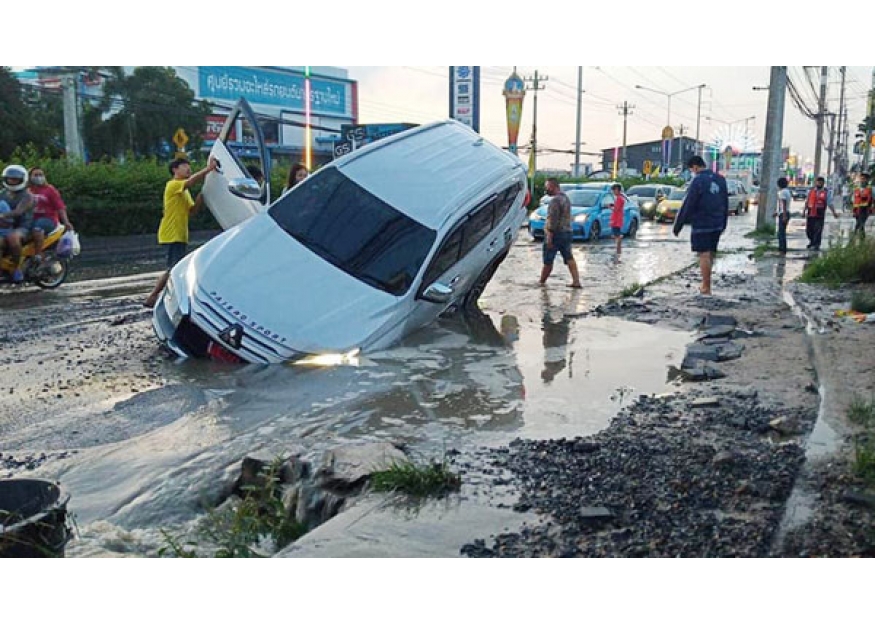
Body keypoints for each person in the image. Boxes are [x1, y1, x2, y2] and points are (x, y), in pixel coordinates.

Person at [144, 156, 218, 308]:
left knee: (174, 268)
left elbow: (192, 210)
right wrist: (209, 169)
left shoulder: (185, 192)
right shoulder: (172, 185)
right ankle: (153, 296)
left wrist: (203, 194)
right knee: (173, 268)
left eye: (188, 166)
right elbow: (190, 182)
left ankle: (160, 296)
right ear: (175, 170)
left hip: (180, 234)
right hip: (171, 234)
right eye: (184, 166)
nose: (188, 169)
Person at [673, 155, 729, 296]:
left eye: (692, 170)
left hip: (702, 223)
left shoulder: (697, 180)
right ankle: (707, 284)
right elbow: (725, 202)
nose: (693, 172)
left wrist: (678, 225)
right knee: (710, 253)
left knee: (703, 254)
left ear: (695, 167)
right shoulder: (721, 179)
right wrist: (724, 223)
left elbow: (689, 203)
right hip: (717, 223)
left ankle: (706, 287)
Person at [539, 178, 582, 289]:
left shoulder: (555, 201)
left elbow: (552, 220)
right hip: (567, 232)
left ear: (553, 187)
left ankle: (541, 283)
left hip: (556, 234)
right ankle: (576, 281)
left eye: (547, 187)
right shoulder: (565, 198)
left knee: (548, 260)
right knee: (569, 257)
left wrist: (549, 236)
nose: (546, 189)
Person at [0, 164, 37, 283]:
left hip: (23, 227)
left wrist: (3, 215)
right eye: (9, 178)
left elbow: (18, 212)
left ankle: (16, 268)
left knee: (13, 238)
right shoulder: (3, 193)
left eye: (15, 179)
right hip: (5, 226)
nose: (12, 181)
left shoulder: (28, 196)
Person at [28, 166, 74, 259]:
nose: (38, 177)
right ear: (30, 177)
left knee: (37, 228)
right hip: (30, 219)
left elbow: (60, 207)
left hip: (48, 219)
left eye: (40, 175)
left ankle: (38, 254)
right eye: (35, 175)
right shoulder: (27, 190)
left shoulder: (50, 190)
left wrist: (66, 222)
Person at [803, 176, 838, 251]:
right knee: (809, 230)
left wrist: (834, 212)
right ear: (816, 182)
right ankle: (812, 242)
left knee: (818, 230)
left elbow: (830, 203)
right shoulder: (811, 191)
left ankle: (816, 244)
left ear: (823, 183)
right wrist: (803, 211)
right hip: (810, 213)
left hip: (820, 213)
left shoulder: (826, 192)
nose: (819, 183)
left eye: (821, 182)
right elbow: (807, 201)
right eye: (818, 182)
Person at [852, 172, 872, 240]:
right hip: (857, 210)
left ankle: (852, 241)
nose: (862, 180)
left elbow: (873, 200)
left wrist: (871, 209)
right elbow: (854, 200)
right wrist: (854, 211)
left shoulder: (871, 189)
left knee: (858, 225)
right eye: (861, 179)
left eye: (864, 179)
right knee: (861, 226)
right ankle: (862, 241)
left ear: (867, 180)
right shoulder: (856, 189)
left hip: (865, 210)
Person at [609, 183, 627, 259]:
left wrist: (610, 207)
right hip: (617, 219)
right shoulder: (620, 198)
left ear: (617, 190)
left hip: (616, 220)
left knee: (617, 236)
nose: (613, 192)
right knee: (616, 235)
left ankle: (618, 251)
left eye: (614, 190)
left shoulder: (619, 199)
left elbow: (616, 209)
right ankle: (618, 250)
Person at [775, 177, 792, 254]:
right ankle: (782, 249)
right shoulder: (787, 191)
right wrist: (778, 212)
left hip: (784, 214)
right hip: (784, 213)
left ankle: (782, 249)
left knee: (781, 233)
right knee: (781, 232)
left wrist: (784, 215)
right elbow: (782, 205)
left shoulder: (782, 192)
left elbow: (784, 204)